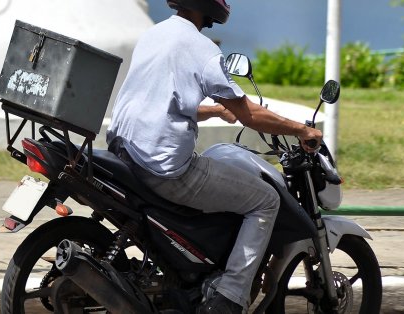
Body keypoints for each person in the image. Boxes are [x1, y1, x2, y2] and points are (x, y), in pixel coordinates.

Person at [106, 0, 323, 313]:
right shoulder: (201, 48)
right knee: (265, 201)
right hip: (165, 167)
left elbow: (164, 101)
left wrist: (215, 111)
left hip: (127, 151)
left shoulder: (156, 34)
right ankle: (230, 297)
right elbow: (248, 113)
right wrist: (300, 130)